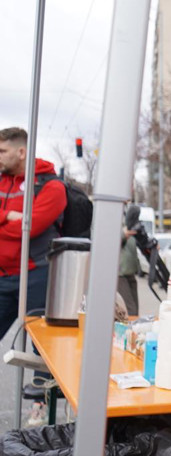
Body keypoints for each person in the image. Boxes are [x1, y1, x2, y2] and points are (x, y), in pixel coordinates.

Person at [0, 127, 67, 426]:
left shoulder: (51, 187)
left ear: (21, 152)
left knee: (41, 347)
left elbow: (33, 226)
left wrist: (15, 224)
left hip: (37, 275)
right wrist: (8, 218)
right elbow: (18, 226)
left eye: (2, 151)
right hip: (2, 276)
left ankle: (39, 406)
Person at [118, 206, 141, 316]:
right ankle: (127, 332)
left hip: (130, 270)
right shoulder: (111, 211)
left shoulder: (126, 211)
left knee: (134, 310)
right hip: (120, 272)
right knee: (130, 310)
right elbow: (105, 238)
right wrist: (123, 235)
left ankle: (131, 332)